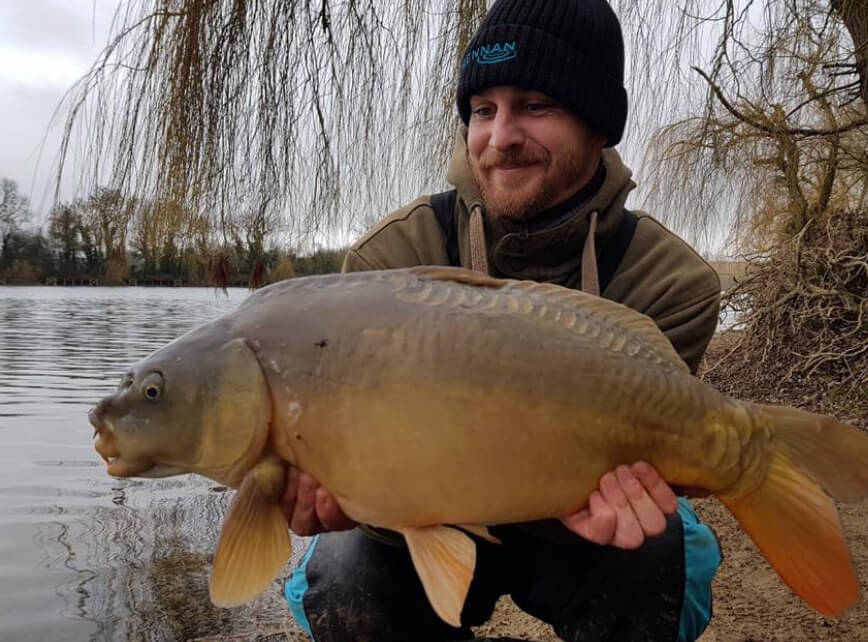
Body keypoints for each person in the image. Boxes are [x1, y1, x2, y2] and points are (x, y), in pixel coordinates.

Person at [281, 1, 723, 640]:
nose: (500, 136)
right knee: (342, 572)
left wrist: (628, 486)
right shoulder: (391, 259)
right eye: (483, 110)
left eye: (535, 106)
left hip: (582, 527)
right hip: (422, 523)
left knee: (664, 553)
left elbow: (651, 456)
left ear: (599, 125)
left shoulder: (669, 281)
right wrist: (352, 495)